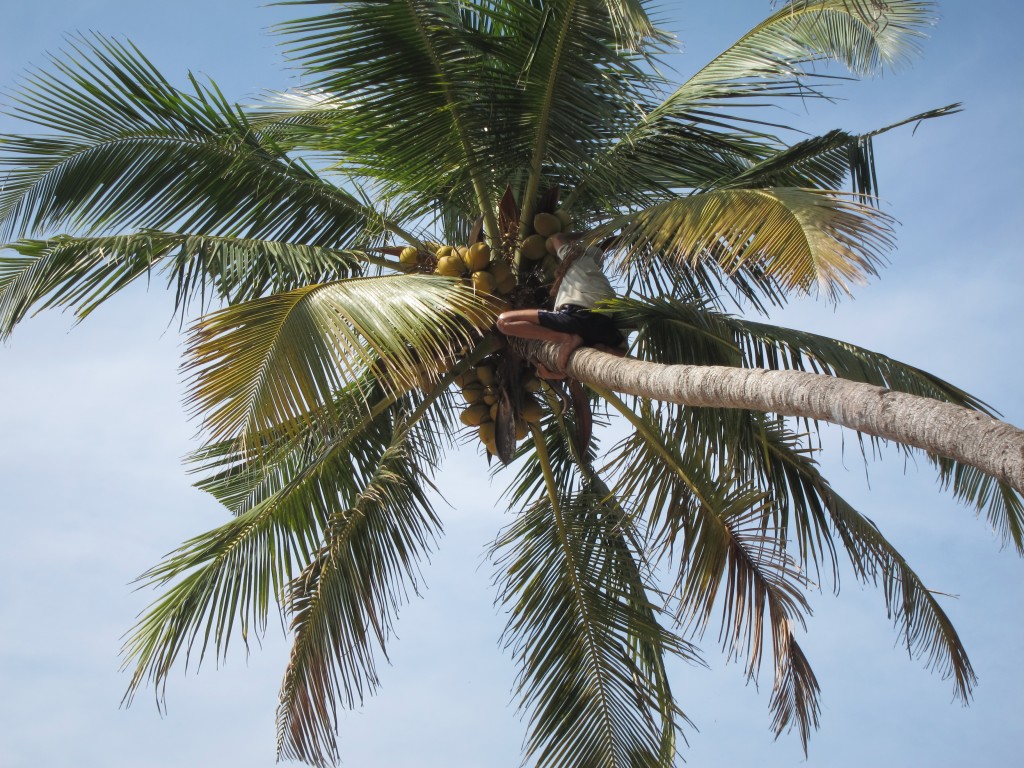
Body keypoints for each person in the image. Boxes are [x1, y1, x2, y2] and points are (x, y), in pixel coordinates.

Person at [497, 232, 627, 379]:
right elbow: (605, 245)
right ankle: (602, 348)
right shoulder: (595, 271)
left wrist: (582, 235)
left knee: (504, 321)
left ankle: (563, 339)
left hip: (575, 316)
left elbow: (556, 237)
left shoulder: (575, 257)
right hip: (602, 325)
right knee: (622, 348)